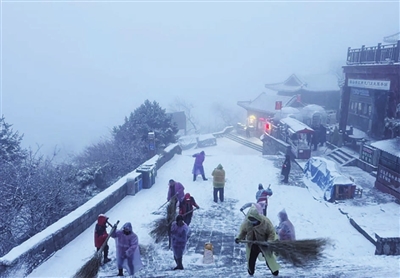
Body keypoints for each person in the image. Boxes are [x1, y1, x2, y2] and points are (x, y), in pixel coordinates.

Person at [235, 206, 280, 277]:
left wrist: (268, 242)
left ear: (257, 218)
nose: (252, 222)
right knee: (251, 260)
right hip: (253, 245)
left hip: (264, 244)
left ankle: (275, 271)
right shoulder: (247, 223)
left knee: (269, 259)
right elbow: (243, 232)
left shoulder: (265, 222)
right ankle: (251, 271)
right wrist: (239, 238)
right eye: (251, 220)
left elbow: (271, 233)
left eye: (254, 220)